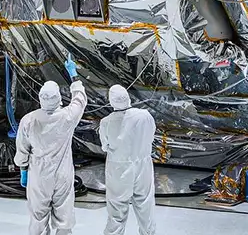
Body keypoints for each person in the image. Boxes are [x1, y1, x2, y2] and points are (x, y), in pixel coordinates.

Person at [14, 54, 87, 235]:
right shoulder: (67, 117)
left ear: (40, 98)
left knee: (38, 218)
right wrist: (74, 75)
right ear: (58, 98)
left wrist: (23, 169)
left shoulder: (29, 120)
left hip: (38, 174)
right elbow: (80, 99)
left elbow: (22, 150)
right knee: (64, 219)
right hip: (62, 174)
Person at [99, 85, 157, 235]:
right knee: (145, 207)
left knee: (117, 211)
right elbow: (151, 136)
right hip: (142, 166)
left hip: (119, 169)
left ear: (111, 101)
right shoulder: (145, 115)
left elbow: (105, 146)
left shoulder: (106, 122)